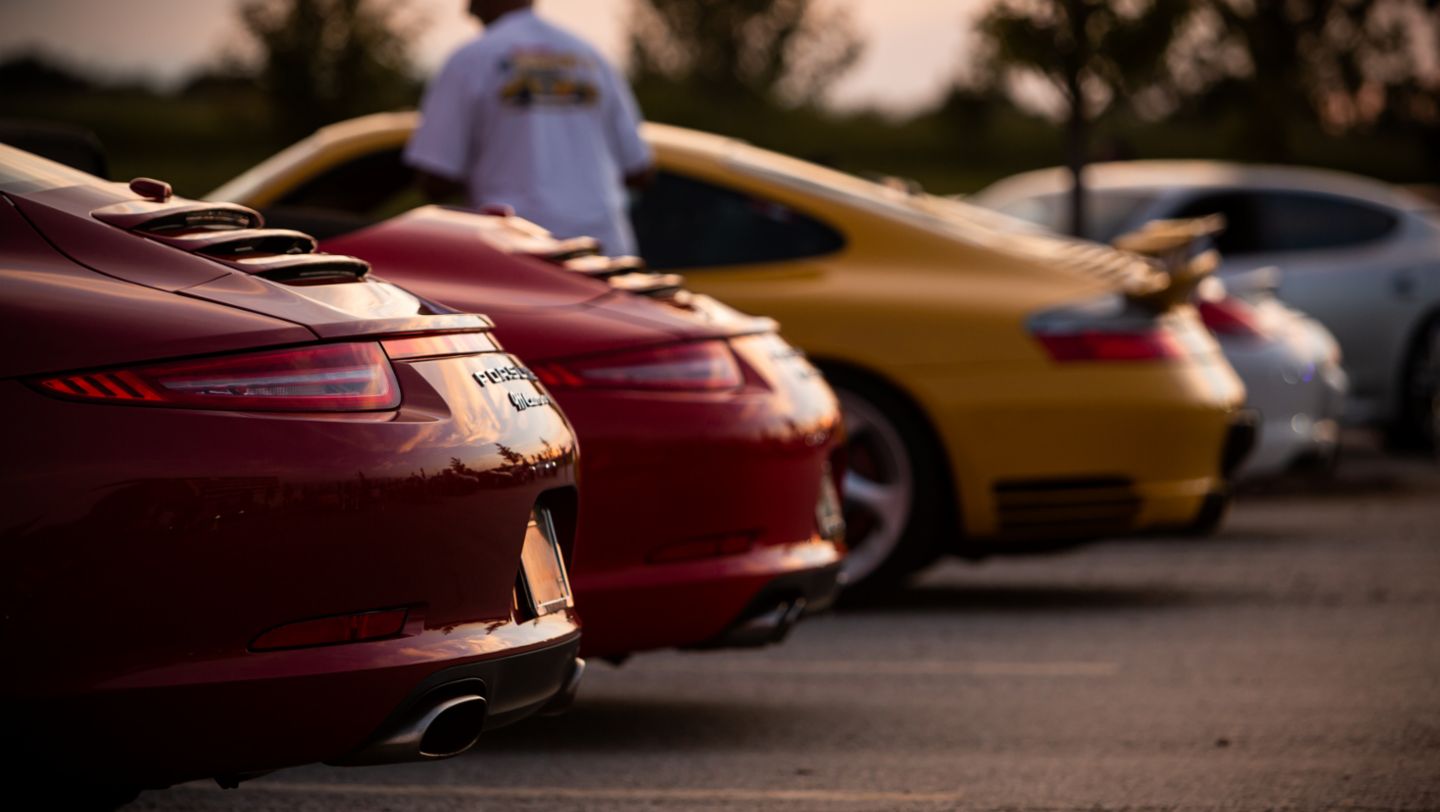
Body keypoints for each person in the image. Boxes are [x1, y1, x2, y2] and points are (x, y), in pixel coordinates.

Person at [406, 0, 653, 256]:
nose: (467, 9)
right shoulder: (591, 57)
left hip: (517, 254)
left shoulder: (470, 59)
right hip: (604, 252)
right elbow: (639, 171)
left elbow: (435, 176)